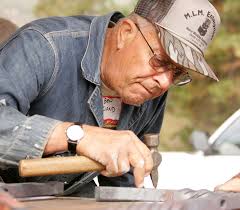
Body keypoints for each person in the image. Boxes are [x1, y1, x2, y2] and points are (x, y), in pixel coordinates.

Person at [0, 0, 221, 197]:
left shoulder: (149, 88)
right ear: (125, 33)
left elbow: (120, 184)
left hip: (65, 198)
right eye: (161, 61)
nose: (164, 82)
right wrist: (79, 136)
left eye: (177, 73)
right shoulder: (44, 46)